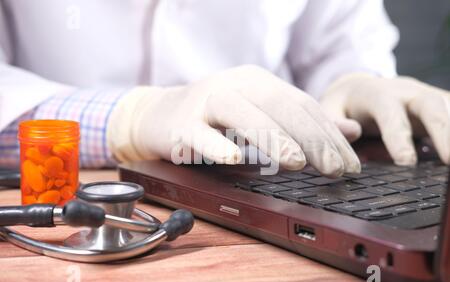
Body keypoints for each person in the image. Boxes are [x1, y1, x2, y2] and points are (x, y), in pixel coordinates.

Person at [1, 0, 449, 178]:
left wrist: (353, 84)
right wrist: (133, 118)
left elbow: (341, 41)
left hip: (264, 190)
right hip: (55, 194)